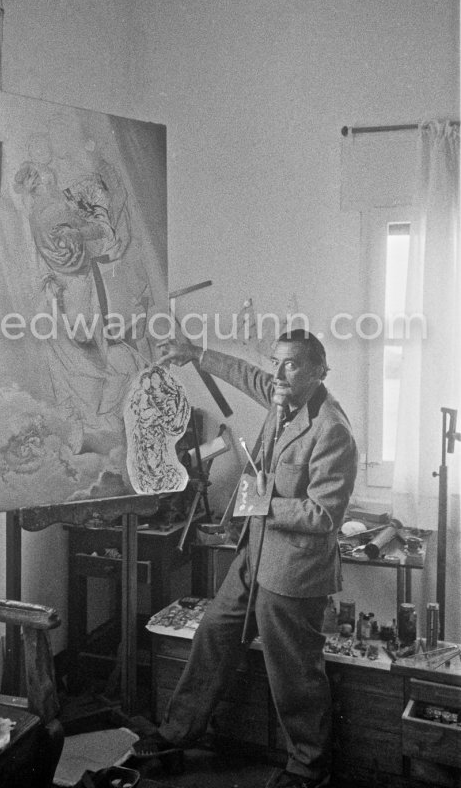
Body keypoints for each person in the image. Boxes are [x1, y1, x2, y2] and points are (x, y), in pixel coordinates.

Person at [134, 329, 357, 788]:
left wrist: (264, 505)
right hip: (255, 557)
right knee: (213, 635)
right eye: (276, 361)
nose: (277, 373)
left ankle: (307, 770)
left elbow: (324, 515)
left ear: (319, 372)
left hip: (294, 572)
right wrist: (194, 353)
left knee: (295, 675)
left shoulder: (332, 429)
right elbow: (247, 374)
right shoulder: (283, 395)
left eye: (291, 364)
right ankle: (177, 735)